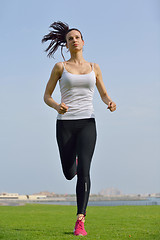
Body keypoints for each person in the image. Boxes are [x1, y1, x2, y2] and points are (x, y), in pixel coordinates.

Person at [42, 21, 116, 236]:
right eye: (70, 38)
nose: (74, 40)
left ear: (83, 42)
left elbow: (103, 93)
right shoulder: (60, 68)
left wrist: (109, 102)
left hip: (87, 123)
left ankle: (80, 220)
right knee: (69, 173)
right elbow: (46, 96)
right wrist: (58, 105)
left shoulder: (94, 67)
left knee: (84, 172)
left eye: (77, 37)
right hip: (65, 124)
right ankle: (73, 162)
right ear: (66, 45)